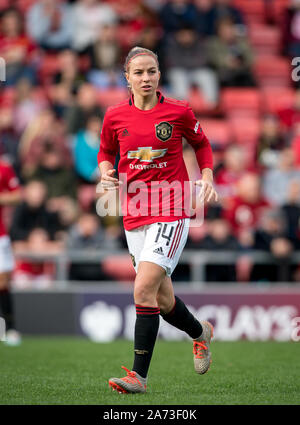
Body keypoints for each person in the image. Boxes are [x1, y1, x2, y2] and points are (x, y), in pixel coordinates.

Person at [98, 46, 218, 394]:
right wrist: (106, 170)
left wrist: (207, 177)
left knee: (142, 288)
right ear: (127, 78)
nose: (146, 78)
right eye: (139, 73)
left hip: (173, 207)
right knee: (162, 301)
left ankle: (138, 377)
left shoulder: (179, 111)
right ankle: (200, 333)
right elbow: (106, 150)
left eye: (151, 71)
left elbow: (203, 144)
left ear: (159, 74)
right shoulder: (114, 115)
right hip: (133, 212)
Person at [0, 159, 22, 345]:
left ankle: (10, 328)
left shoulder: (4, 167)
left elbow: (17, 195)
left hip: (0, 234)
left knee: (3, 280)